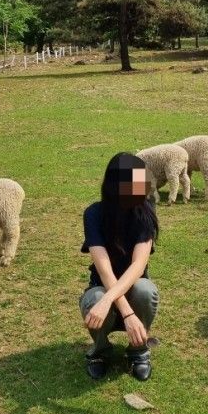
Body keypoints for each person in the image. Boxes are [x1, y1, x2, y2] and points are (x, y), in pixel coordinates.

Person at [79, 152, 160, 381]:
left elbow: (138, 265)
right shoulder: (93, 214)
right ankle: (100, 352)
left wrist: (124, 309)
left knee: (146, 290)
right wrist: (107, 302)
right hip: (102, 285)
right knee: (95, 299)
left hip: (133, 285)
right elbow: (103, 268)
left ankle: (138, 351)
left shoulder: (146, 211)